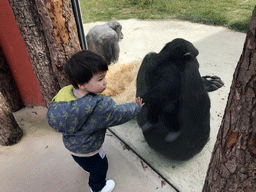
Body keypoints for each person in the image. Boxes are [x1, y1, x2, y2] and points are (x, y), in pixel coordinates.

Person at [46, 50, 144, 192]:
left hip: (72, 147)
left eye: (104, 77)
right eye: (100, 79)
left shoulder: (65, 92)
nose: (105, 82)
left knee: (87, 164)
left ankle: (89, 168)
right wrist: (136, 106)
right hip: (89, 150)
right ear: (81, 84)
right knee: (100, 167)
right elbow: (120, 114)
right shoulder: (99, 106)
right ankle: (98, 187)